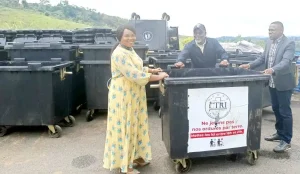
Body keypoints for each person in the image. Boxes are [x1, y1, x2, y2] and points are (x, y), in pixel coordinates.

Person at [103, 24, 169, 174]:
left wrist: (151, 70)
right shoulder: (119, 53)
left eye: (132, 35)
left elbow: (137, 67)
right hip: (123, 95)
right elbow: (134, 74)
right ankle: (125, 165)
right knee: (126, 127)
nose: (130, 38)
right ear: (119, 37)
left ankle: (135, 156)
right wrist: (158, 76)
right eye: (127, 35)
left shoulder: (129, 50)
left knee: (136, 125)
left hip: (134, 94)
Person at [239, 21, 296, 153]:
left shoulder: (289, 44)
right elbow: (262, 58)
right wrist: (249, 65)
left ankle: (286, 140)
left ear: (281, 30)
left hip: (283, 83)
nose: (270, 32)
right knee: (276, 109)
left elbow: (286, 62)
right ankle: (279, 133)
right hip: (272, 82)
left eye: (273, 30)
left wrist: (272, 70)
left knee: (285, 112)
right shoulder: (269, 42)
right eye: (269, 30)